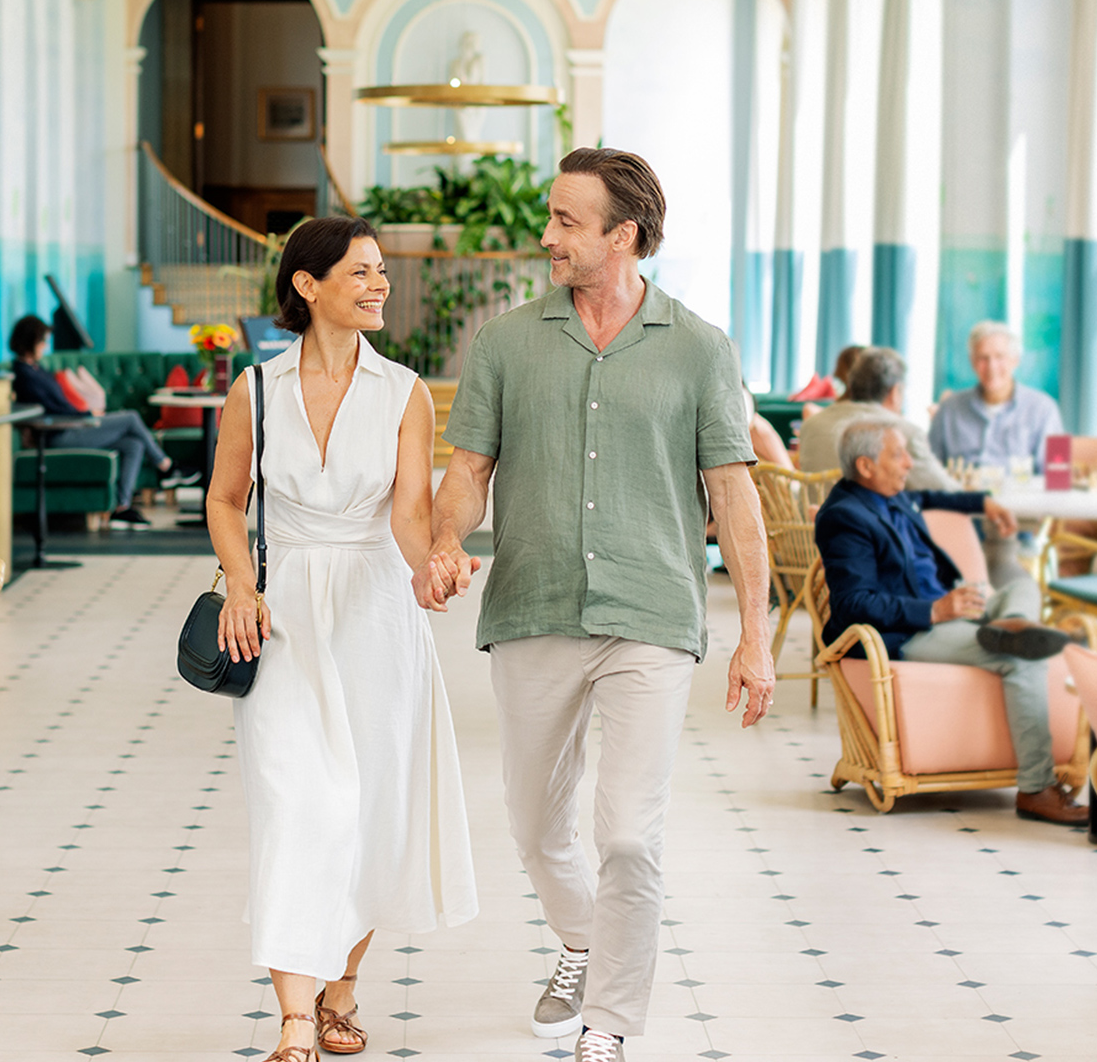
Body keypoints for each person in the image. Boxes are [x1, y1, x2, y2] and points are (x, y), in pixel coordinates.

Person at [415, 148, 774, 1062]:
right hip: (533, 605)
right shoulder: (506, 342)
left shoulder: (698, 348)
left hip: (652, 613)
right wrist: (447, 538)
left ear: (625, 235)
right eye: (552, 217)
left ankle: (609, 1024)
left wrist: (757, 639)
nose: (548, 236)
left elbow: (733, 499)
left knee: (629, 834)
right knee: (537, 825)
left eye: (568, 221)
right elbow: (467, 475)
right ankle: (582, 941)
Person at [206, 217, 476, 1062]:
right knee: (299, 806)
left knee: (366, 814)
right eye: (361, 272)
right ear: (306, 285)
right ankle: (292, 1016)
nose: (379, 285)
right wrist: (240, 584)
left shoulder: (404, 392)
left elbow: (406, 515)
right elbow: (224, 500)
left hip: (374, 613)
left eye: (381, 272)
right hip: (282, 614)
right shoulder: (255, 388)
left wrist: (435, 561)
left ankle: (341, 992)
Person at [814, 419, 1086, 824]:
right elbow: (854, 603)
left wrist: (984, 502)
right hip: (912, 630)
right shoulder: (845, 517)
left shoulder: (894, 495)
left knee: (1022, 587)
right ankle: (1035, 788)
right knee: (1022, 660)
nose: (909, 463)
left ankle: (1011, 626)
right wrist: (935, 611)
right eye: (898, 454)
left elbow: (933, 495)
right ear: (866, 466)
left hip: (953, 607)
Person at [8, 315, 198, 527]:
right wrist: (88, 415)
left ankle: (121, 507)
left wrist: (86, 414)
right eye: (42, 341)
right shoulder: (23, 374)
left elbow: (61, 405)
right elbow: (50, 410)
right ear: (29, 341)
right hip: (59, 434)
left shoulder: (36, 368)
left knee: (133, 445)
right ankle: (167, 467)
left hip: (73, 425)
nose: (45, 346)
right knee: (131, 418)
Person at [798, 347, 957, 490]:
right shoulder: (903, 433)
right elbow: (945, 492)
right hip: (866, 522)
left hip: (813, 520)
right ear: (894, 392)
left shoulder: (811, 425)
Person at [929, 321, 1063, 469]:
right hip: (962, 490)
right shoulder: (949, 408)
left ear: (1015, 360)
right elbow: (929, 465)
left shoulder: (1045, 408)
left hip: (1019, 491)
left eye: (1000, 357)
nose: (991, 367)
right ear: (972, 362)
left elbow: (1057, 473)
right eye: (983, 358)